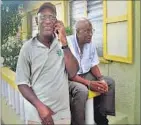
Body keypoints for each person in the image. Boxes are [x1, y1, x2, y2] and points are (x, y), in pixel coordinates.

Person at [15, 2, 79, 125]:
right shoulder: (27, 48)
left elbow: (73, 73)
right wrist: (40, 107)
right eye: (43, 17)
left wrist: (64, 42)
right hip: (37, 115)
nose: (48, 21)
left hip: (62, 114)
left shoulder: (62, 44)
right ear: (36, 20)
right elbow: (22, 83)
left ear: (56, 22)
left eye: (52, 17)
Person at [68, 18, 115, 125]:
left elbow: (93, 65)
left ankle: (101, 116)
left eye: (91, 31)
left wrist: (101, 79)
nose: (90, 34)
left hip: (86, 74)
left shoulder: (91, 44)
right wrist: (89, 84)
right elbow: (71, 74)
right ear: (78, 31)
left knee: (109, 82)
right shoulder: (68, 44)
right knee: (82, 90)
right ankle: (78, 122)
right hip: (71, 77)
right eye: (87, 31)